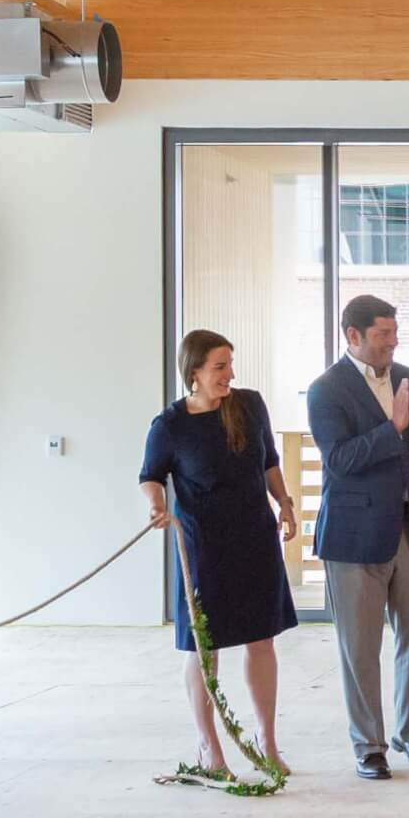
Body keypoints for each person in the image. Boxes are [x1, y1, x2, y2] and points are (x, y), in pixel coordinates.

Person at [139, 330, 300, 777]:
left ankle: (267, 739)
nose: (230, 374)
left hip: (255, 537)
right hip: (203, 547)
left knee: (261, 639)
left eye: (230, 364)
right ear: (194, 373)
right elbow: (150, 474)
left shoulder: (249, 405)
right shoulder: (170, 424)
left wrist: (284, 503)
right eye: (219, 367)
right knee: (202, 646)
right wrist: (156, 505)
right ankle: (209, 746)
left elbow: (269, 459)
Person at [306, 294, 409, 781]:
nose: (393, 342)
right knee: (360, 648)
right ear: (354, 335)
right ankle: (368, 746)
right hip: (353, 537)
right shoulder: (325, 390)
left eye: (394, 333)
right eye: (382, 334)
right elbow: (340, 460)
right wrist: (393, 429)